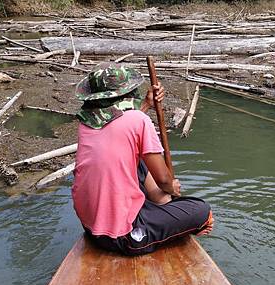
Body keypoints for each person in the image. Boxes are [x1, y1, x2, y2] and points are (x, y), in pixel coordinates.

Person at [71, 62, 213, 256]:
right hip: (124, 236)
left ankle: (160, 207)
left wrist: (147, 105)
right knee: (202, 211)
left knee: (137, 162)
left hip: (91, 226)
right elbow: (164, 179)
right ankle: (162, 223)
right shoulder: (139, 121)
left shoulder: (87, 124)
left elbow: (121, 126)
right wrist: (172, 187)